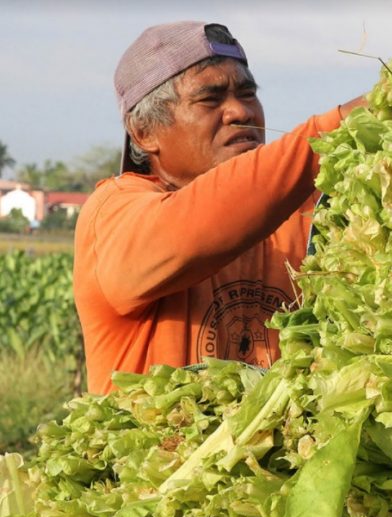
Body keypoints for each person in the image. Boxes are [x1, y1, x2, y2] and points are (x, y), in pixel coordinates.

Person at [73, 20, 364, 394]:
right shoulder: (113, 214)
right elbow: (193, 226)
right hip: (166, 450)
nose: (240, 112)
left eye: (247, 94)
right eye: (210, 99)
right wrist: (342, 127)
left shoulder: (298, 212)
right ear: (144, 132)